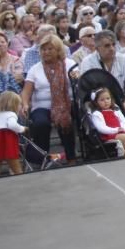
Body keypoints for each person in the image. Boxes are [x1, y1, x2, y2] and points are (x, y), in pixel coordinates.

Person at [20, 35, 79, 164]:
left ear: (58, 50)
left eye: (50, 49)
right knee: (41, 123)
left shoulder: (70, 64)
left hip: (66, 103)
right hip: (42, 106)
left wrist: (76, 77)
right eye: (43, 49)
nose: (46, 52)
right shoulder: (35, 69)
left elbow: (79, 85)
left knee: (69, 117)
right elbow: (26, 91)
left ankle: (72, 157)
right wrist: (24, 104)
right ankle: (42, 158)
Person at [80, 32, 125, 137]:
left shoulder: (123, 59)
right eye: (107, 46)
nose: (111, 48)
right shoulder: (87, 62)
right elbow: (87, 91)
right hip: (98, 102)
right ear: (97, 48)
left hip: (120, 99)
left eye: (113, 44)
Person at [88, 87, 125, 158]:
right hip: (108, 134)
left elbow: (124, 121)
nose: (106, 101)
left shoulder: (116, 109)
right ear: (96, 102)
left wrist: (124, 128)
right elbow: (101, 128)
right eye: (102, 100)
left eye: (108, 98)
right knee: (123, 137)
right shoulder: (97, 114)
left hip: (121, 130)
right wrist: (116, 130)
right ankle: (123, 157)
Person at [0, 90, 26, 174]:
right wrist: (23, 129)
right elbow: (12, 125)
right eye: (19, 104)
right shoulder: (11, 114)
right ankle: (18, 173)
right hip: (7, 138)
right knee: (12, 159)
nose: (20, 106)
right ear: (14, 105)